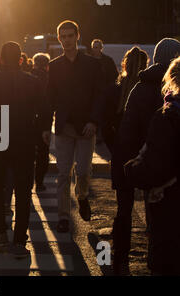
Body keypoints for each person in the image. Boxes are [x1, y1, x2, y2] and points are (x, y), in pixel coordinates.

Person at [111, 38, 180, 275]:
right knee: (160, 221)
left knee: (125, 211)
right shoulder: (174, 90)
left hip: (139, 159)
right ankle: (155, 260)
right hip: (167, 166)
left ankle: (120, 260)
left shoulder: (140, 87)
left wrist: (128, 162)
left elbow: (127, 128)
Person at [0, 41, 50, 258]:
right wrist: (41, 132)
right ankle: (19, 239)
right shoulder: (33, 82)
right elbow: (45, 110)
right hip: (25, 141)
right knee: (23, 192)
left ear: (1, 59)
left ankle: (0, 233)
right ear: (21, 59)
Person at [46, 20, 105, 233]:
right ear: (59, 38)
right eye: (63, 36)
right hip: (64, 126)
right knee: (63, 174)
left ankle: (82, 196)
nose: (67, 40)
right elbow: (50, 98)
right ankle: (63, 216)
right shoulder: (54, 65)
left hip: (86, 126)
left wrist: (94, 121)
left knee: (83, 170)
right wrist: (46, 126)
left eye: (71, 36)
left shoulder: (91, 64)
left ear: (77, 37)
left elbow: (100, 95)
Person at [101, 47, 149, 153]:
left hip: (120, 148)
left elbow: (105, 125)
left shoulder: (113, 90)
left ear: (125, 64)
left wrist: (114, 148)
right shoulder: (148, 91)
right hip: (143, 151)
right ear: (146, 66)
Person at [31, 53, 51, 192]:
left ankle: (27, 181)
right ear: (47, 65)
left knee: (28, 152)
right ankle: (39, 182)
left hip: (28, 120)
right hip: (44, 120)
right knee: (43, 154)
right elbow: (49, 103)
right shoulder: (49, 79)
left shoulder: (27, 77)